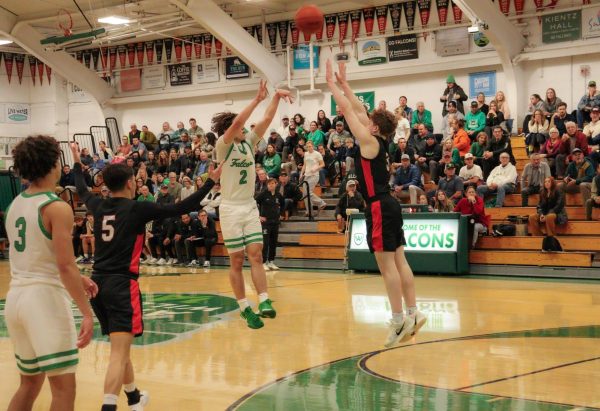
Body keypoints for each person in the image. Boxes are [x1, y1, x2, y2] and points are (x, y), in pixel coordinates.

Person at [70, 142, 221, 411]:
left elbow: (81, 188)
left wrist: (76, 162)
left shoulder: (98, 205)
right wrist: (210, 182)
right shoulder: (138, 208)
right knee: (118, 353)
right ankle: (109, 406)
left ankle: (134, 397)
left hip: (96, 285)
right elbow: (182, 206)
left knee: (120, 346)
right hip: (121, 285)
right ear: (130, 183)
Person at [327, 60, 425, 348]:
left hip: (379, 206)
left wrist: (331, 85)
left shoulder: (369, 143)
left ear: (375, 127)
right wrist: (344, 83)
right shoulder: (381, 142)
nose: (364, 120)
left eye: (369, 121)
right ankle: (412, 312)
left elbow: (348, 111)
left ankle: (397, 322)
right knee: (400, 260)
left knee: (386, 267)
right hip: (390, 203)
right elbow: (358, 109)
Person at [5, 135, 97, 411]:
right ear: (54, 163)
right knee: (63, 390)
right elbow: (64, 265)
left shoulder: (14, 205)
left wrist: (78, 277)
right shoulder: (56, 206)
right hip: (44, 301)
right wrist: (87, 312)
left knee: (29, 385)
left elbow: (37, 254)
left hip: (16, 299)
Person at [211, 80, 291, 329]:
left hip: (248, 206)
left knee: (256, 255)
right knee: (237, 261)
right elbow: (236, 123)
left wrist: (275, 96)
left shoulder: (247, 143)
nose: (244, 128)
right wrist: (256, 98)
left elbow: (266, 120)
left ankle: (264, 300)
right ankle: (244, 307)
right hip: (230, 208)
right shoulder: (222, 146)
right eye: (241, 125)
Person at [256, 178, 284, 271]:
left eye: (273, 183)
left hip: (275, 222)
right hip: (266, 223)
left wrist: (281, 214)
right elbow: (254, 203)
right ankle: (263, 262)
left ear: (276, 184)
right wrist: (259, 216)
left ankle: (271, 261)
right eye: (269, 184)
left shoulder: (278, 195)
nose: (271, 185)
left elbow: (283, 204)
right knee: (266, 242)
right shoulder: (263, 195)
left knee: (273, 242)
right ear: (267, 185)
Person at [300, 140, 327, 215]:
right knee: (304, 194)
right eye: (308, 146)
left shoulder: (317, 154)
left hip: (314, 175)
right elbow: (305, 165)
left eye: (310, 146)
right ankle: (309, 211)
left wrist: (316, 168)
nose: (309, 148)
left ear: (313, 146)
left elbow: (322, 164)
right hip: (307, 175)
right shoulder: (306, 154)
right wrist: (301, 173)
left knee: (308, 192)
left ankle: (321, 203)